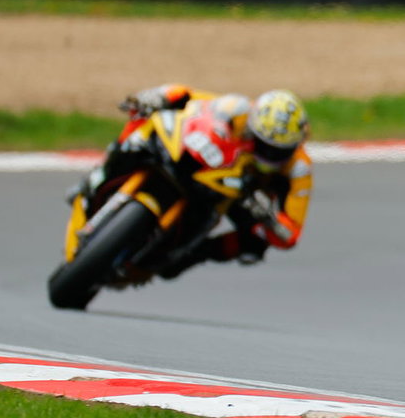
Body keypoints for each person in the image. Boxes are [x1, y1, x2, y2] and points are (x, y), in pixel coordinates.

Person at [71, 84, 313, 278]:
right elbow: (190, 97)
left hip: (242, 196)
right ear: (253, 126)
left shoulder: (299, 169)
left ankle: (190, 255)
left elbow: (291, 233)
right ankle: (103, 170)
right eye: (262, 144)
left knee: (253, 245)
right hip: (213, 166)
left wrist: (269, 217)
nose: (267, 154)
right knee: (144, 123)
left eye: (276, 151)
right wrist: (157, 97)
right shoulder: (238, 108)